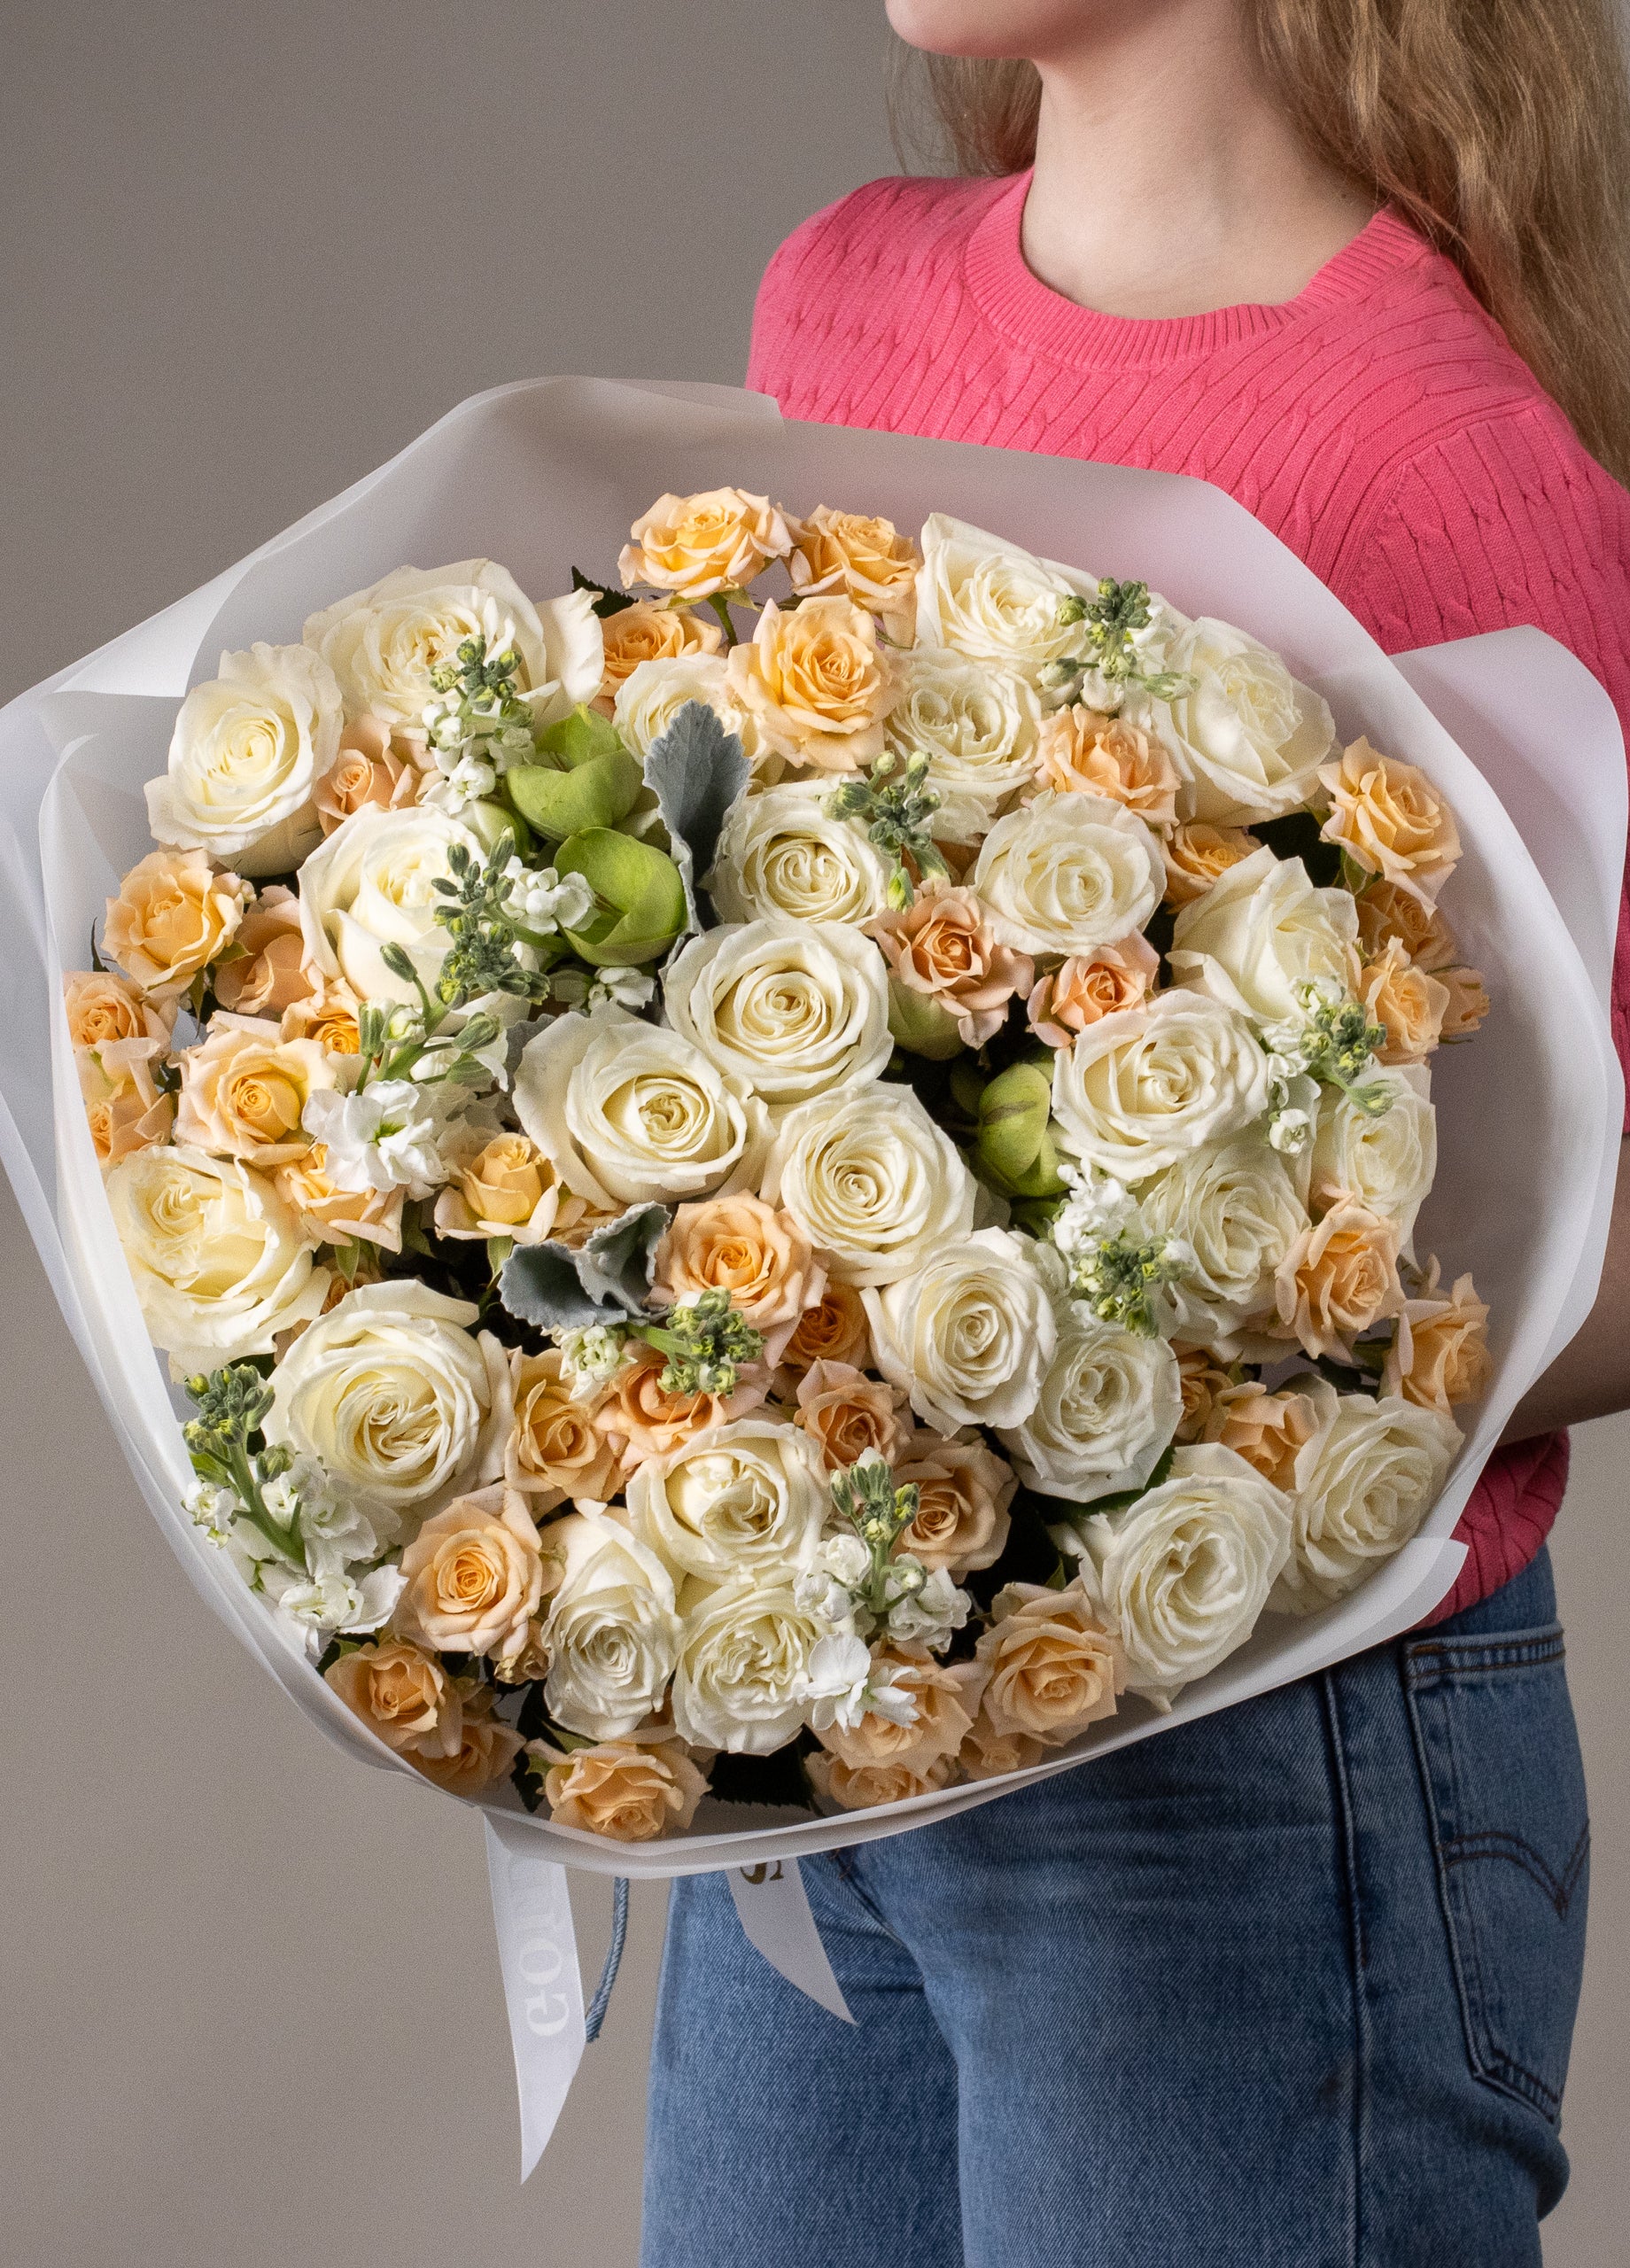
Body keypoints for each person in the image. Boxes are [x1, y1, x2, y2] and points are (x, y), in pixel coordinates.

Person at [640, 4, 1630, 2263]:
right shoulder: (846, 301)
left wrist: (1163, 1364)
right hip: (836, 1737)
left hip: (1259, 1779)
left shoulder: (1433, 449)